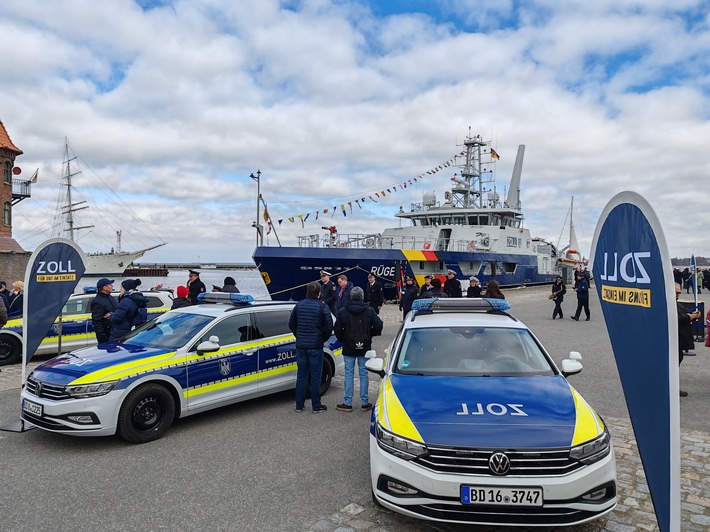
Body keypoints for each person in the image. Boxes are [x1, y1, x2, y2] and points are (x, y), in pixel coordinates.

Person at [334, 286, 383, 412]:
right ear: (362, 296)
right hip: (365, 345)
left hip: (348, 345)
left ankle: (347, 402)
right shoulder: (369, 310)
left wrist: (343, 339)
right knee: (363, 373)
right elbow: (378, 324)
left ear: (350, 296)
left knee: (349, 373)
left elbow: (337, 328)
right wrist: (370, 334)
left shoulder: (343, 310)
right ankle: (364, 402)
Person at [288, 281, 332, 413]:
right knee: (315, 376)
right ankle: (316, 405)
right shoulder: (322, 307)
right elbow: (329, 326)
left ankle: (299, 405)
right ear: (319, 293)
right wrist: (322, 338)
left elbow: (291, 324)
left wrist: (299, 336)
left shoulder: (299, 305)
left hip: (301, 345)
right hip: (315, 345)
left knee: (301, 375)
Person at [676, 282, 701, 397]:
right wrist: (690, 317)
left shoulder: (677, 304)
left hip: (679, 340)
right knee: (671, 365)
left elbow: (683, 316)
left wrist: (692, 315)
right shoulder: (666, 304)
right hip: (673, 340)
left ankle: (673, 387)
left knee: (677, 363)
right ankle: (671, 388)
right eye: (676, 292)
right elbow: (675, 319)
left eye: (679, 292)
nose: (678, 294)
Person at [90, 278, 118, 343]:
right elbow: (97, 322)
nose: (112, 286)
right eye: (110, 285)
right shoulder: (97, 301)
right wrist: (103, 339)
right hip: (107, 334)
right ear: (105, 288)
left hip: (115, 332)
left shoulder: (110, 297)